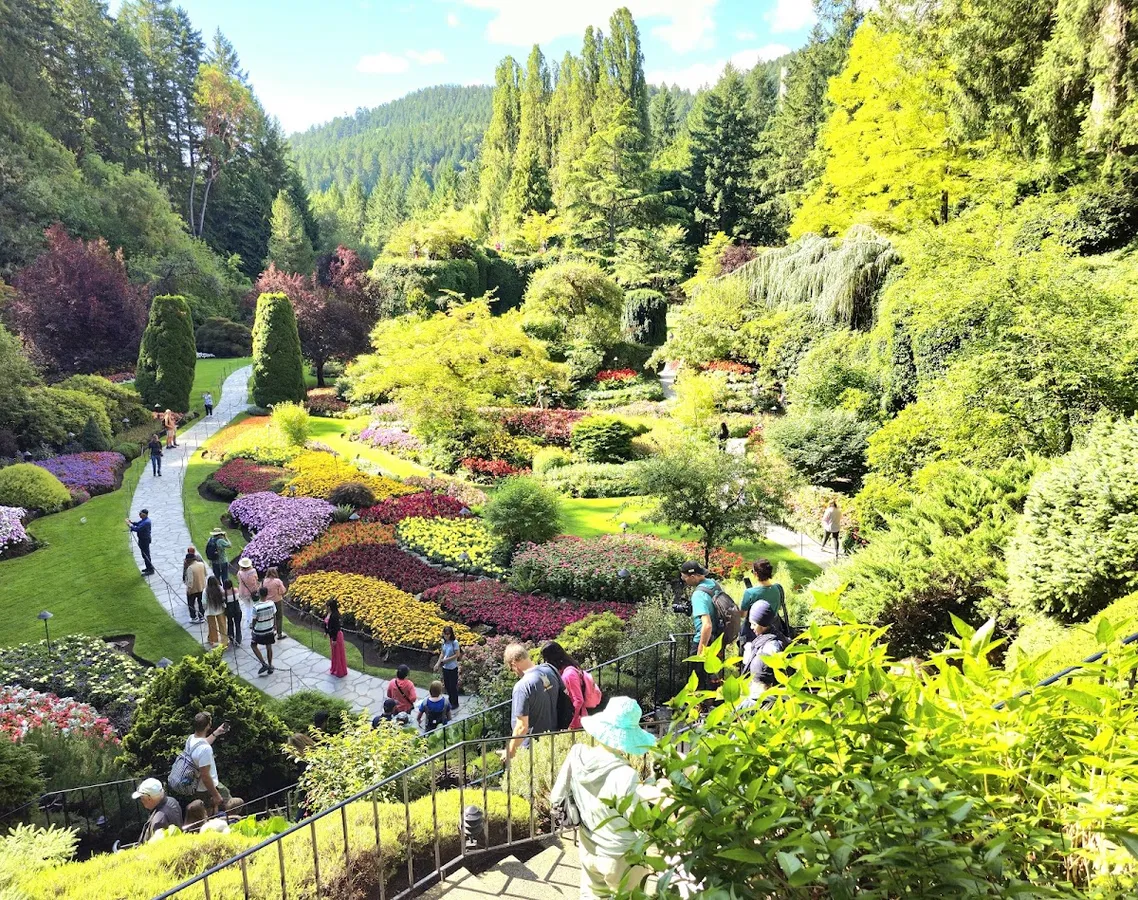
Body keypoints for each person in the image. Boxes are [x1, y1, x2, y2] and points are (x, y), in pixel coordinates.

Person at [549, 697, 655, 899]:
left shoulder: (577, 754)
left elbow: (556, 796)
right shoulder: (625, 776)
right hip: (620, 855)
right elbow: (642, 821)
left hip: (588, 845)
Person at [504, 642, 561, 762]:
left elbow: (521, 727)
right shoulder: (550, 670)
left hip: (532, 749)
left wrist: (510, 752)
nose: (513, 673)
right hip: (553, 739)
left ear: (514, 664)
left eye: (511, 669)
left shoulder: (522, 686)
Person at [679, 561, 719, 691]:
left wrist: (700, 652)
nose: (684, 581)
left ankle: (698, 709)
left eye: (684, 578)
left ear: (693, 576)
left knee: (697, 680)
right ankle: (713, 705)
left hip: (704, 640)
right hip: (717, 639)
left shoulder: (698, 595)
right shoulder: (713, 584)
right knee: (713, 676)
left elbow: (707, 625)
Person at [541, 640, 594, 730]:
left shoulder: (569, 674)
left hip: (576, 724)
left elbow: (578, 700)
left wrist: (571, 724)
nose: (545, 662)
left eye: (546, 659)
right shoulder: (563, 670)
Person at [186, 712, 230, 815]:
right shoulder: (205, 749)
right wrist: (216, 795)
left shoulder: (191, 739)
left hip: (196, 787)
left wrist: (216, 733)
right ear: (208, 726)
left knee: (204, 815)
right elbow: (205, 776)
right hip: (207, 789)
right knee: (232, 805)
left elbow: (202, 744)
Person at [742, 600, 785, 701]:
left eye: (754, 624)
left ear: (763, 624)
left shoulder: (768, 649)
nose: (751, 627)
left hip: (764, 697)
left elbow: (761, 688)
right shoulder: (777, 636)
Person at [741, 558, 787, 643]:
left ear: (755, 574)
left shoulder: (750, 593)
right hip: (775, 627)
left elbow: (743, 614)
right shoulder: (778, 588)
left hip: (755, 632)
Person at [132, 777, 183, 844]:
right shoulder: (172, 801)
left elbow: (157, 847)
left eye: (141, 798)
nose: (141, 801)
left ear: (149, 799)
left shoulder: (158, 821)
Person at [250, 587, 277, 675]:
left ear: (260, 594)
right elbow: (274, 615)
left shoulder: (256, 607)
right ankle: (270, 665)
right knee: (269, 646)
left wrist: (253, 628)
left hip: (259, 630)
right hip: (269, 628)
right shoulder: (271, 603)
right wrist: (274, 625)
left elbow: (254, 620)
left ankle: (263, 663)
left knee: (253, 645)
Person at [435, 625, 461, 710]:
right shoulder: (444, 642)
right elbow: (442, 653)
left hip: (452, 667)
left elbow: (457, 654)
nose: (447, 636)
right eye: (445, 634)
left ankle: (455, 703)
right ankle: (450, 700)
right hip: (445, 667)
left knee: (453, 686)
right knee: (447, 685)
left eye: (448, 634)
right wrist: (438, 663)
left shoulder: (455, 642)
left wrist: (447, 660)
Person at [325, 598, 348, 678]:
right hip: (332, 636)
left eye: (327, 606)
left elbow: (335, 628)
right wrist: (326, 632)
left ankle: (339, 670)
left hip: (336, 637)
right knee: (334, 653)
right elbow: (327, 625)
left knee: (338, 653)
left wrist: (334, 639)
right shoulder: (329, 614)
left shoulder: (334, 616)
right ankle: (334, 668)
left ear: (330, 607)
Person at [262, 567, 288, 640]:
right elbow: (282, 591)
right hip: (277, 601)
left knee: (270, 617)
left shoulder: (264, 581)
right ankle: (279, 634)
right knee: (279, 617)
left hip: (268, 602)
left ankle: (272, 631)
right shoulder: (277, 581)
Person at [183, 547, 207, 623]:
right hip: (202, 587)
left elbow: (190, 582)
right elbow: (205, 574)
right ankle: (201, 616)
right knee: (200, 603)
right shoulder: (201, 564)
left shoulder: (190, 568)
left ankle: (194, 617)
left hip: (193, 589)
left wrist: (188, 590)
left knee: (191, 604)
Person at [127, 509, 154, 576]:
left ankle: (150, 570)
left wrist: (130, 525)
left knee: (146, 555)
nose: (139, 514)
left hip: (145, 540)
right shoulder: (144, 520)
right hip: (142, 539)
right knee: (144, 555)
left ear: (144, 514)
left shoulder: (146, 522)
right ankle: (148, 568)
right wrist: (132, 522)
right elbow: (138, 524)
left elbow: (137, 529)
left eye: (140, 513)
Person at [236, 558, 260, 624]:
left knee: (247, 607)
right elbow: (256, 579)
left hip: (243, 592)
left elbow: (239, 581)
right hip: (252, 592)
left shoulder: (239, 573)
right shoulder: (253, 571)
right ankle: (252, 621)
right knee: (252, 606)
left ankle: (249, 620)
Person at [204, 576, 227, 647]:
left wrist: (205, 609)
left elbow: (204, 602)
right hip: (220, 610)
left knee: (212, 627)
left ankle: (213, 640)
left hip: (210, 611)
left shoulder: (206, 591)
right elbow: (224, 597)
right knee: (222, 626)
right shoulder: (220, 588)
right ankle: (224, 641)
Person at [223, 578, 242, 645]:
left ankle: (231, 637)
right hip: (237, 610)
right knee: (238, 625)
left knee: (230, 624)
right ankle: (238, 640)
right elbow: (238, 597)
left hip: (229, 611)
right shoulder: (236, 590)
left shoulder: (223, 593)